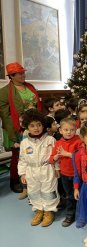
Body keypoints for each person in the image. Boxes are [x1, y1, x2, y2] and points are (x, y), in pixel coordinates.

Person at [0, 62, 42, 193]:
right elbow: (5, 116)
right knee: (18, 155)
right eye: (20, 73)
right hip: (17, 128)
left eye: (23, 72)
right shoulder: (4, 92)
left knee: (35, 153)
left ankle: (33, 179)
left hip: (34, 125)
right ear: (12, 76)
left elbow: (38, 104)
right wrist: (14, 134)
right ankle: (15, 180)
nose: (23, 75)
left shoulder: (30, 87)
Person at [17, 109, 59, 227]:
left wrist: (57, 168)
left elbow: (56, 156)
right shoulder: (25, 143)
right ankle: (39, 210)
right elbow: (22, 159)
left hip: (47, 169)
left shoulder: (50, 139)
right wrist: (22, 174)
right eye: (32, 126)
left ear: (43, 125)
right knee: (34, 191)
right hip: (31, 171)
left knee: (48, 191)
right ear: (27, 127)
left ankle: (49, 211)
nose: (36, 128)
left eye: (39, 125)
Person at [49, 118, 82, 227]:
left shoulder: (79, 141)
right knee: (69, 195)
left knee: (80, 195)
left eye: (72, 130)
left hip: (78, 174)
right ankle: (70, 214)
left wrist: (66, 153)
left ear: (75, 130)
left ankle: (81, 214)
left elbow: (82, 156)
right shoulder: (58, 143)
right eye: (66, 130)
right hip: (64, 174)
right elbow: (51, 159)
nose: (69, 132)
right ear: (60, 131)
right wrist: (55, 157)